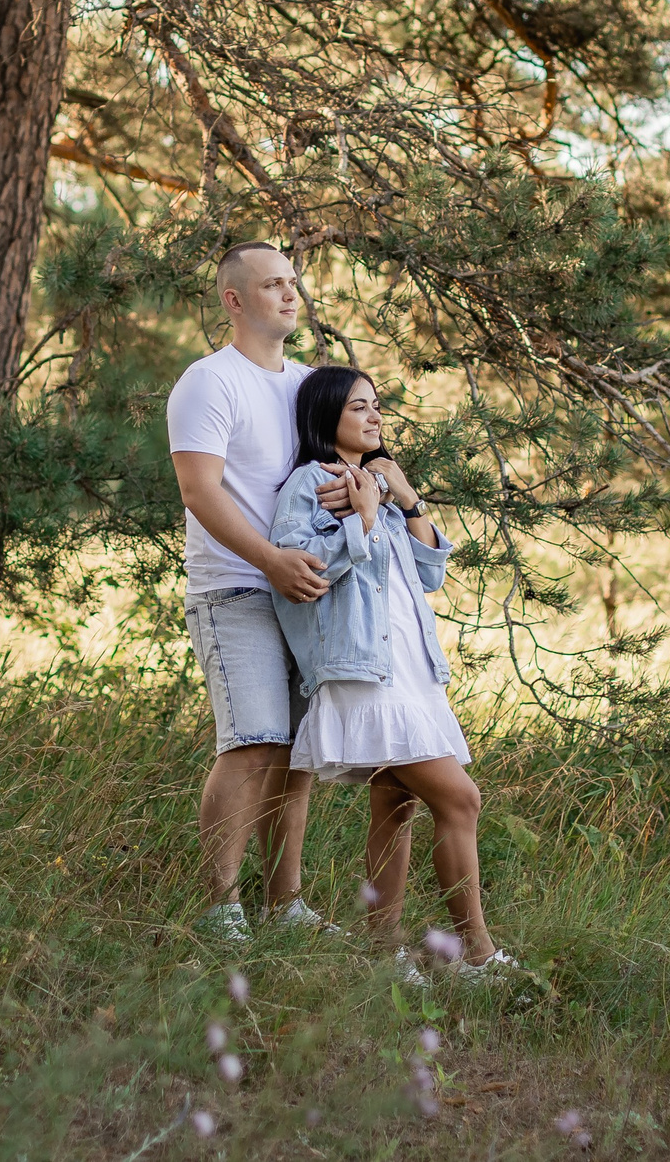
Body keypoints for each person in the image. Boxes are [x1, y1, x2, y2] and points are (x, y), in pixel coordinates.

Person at [269, 364, 517, 976]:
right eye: (359, 407)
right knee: (461, 799)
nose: (375, 416)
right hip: (363, 675)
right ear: (325, 416)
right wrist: (364, 517)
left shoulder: (377, 482)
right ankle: (477, 955)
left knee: (396, 803)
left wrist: (405, 497)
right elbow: (300, 571)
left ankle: (384, 954)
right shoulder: (310, 484)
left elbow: (429, 570)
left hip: (412, 672)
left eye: (376, 406)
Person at [167, 241, 349, 944]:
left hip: (303, 592)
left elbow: (336, 466)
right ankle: (220, 910)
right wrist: (270, 559)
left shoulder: (307, 385)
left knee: (299, 750)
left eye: (294, 283)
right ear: (234, 300)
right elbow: (199, 490)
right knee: (252, 743)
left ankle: (287, 907)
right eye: (273, 284)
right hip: (235, 588)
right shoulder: (209, 382)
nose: (290, 294)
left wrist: (351, 488)